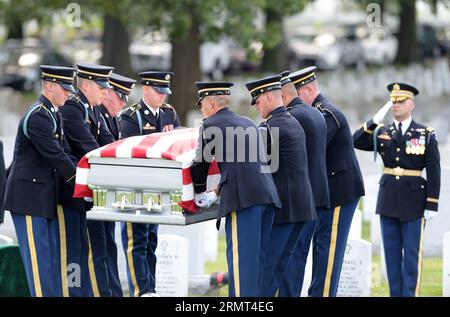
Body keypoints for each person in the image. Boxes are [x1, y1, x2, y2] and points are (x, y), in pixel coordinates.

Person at [190, 81, 281, 297]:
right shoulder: (248, 122)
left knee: (242, 267)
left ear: (211, 103)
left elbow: (200, 164)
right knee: (258, 263)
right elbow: (243, 166)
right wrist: (217, 192)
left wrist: (200, 192)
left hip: (244, 200)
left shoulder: (210, 125)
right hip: (267, 197)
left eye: (202, 104)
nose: (201, 109)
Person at [353, 83, 440, 297]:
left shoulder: (424, 133)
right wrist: (374, 121)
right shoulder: (382, 132)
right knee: (391, 257)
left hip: (414, 201)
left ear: (411, 104)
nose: (395, 105)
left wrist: (432, 204)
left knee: (411, 257)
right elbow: (355, 141)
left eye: (400, 101)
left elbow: (434, 171)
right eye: (393, 101)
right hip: (389, 200)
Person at [3, 65, 77, 296]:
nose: (68, 93)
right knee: (40, 268)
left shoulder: (53, 114)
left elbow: (64, 152)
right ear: (50, 86)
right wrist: (83, 183)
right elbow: (58, 157)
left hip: (42, 200)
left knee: (50, 264)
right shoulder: (38, 117)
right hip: (29, 201)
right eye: (64, 88)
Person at [293, 66, 365, 297]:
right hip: (326, 193)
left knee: (328, 252)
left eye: (295, 95)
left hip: (340, 192)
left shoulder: (327, 114)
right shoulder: (313, 113)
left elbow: (309, 147)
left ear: (309, 90)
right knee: (320, 248)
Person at [245, 75, 316, 296]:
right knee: (279, 269)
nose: (256, 106)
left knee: (266, 270)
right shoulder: (291, 121)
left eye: (257, 100)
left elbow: (253, 166)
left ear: (268, 97)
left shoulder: (271, 127)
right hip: (302, 206)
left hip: (284, 209)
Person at [119, 71, 179, 297]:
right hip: (136, 186)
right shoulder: (131, 116)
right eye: (158, 91)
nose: (162, 96)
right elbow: (130, 151)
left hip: (159, 187)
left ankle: (150, 288)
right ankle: (141, 290)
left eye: (165, 91)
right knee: (137, 240)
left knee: (152, 239)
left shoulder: (169, 113)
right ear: (146, 89)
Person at [59, 63, 115, 297]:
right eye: (101, 88)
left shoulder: (94, 110)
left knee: (88, 249)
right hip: (70, 191)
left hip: (87, 191)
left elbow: (109, 143)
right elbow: (90, 148)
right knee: (75, 252)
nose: (106, 92)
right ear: (84, 85)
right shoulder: (73, 108)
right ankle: (75, 293)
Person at [277, 70, 330, 297]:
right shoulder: (314, 113)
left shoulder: (293, 116)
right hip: (316, 195)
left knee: (292, 257)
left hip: (301, 198)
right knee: (298, 255)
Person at [95, 73, 136, 297]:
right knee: (100, 249)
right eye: (120, 96)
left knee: (109, 246)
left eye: (126, 98)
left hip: (107, 190)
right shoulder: (97, 115)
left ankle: (113, 292)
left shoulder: (113, 117)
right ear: (107, 93)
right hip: (96, 190)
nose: (123, 103)